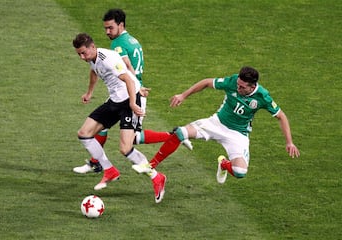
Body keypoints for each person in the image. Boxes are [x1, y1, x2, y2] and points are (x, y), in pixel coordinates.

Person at [133, 66, 300, 185]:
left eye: (242, 87)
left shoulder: (263, 97)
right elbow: (206, 82)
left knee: (240, 172)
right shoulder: (233, 81)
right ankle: (151, 165)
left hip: (238, 135)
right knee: (181, 133)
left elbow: (281, 116)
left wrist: (289, 142)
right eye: (238, 84)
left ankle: (223, 164)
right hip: (216, 123)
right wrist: (184, 95)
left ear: (252, 86)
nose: (238, 87)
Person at [73, 8, 191, 174]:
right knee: (102, 126)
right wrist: (90, 92)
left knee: (131, 139)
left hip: (132, 91)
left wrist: (137, 87)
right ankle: (96, 162)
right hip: (125, 89)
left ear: (121, 25)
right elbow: (95, 69)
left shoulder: (118, 44)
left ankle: (175, 135)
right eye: (105, 28)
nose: (107, 32)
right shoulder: (132, 40)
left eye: (110, 28)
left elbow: (128, 67)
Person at [72, 33, 166, 203]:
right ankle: (109, 170)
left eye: (84, 53)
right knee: (84, 133)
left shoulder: (107, 58)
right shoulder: (92, 59)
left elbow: (129, 80)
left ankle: (157, 177)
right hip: (115, 100)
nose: (82, 57)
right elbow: (94, 72)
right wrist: (89, 92)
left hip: (129, 100)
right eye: (79, 54)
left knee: (125, 148)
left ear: (93, 47)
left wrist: (132, 102)